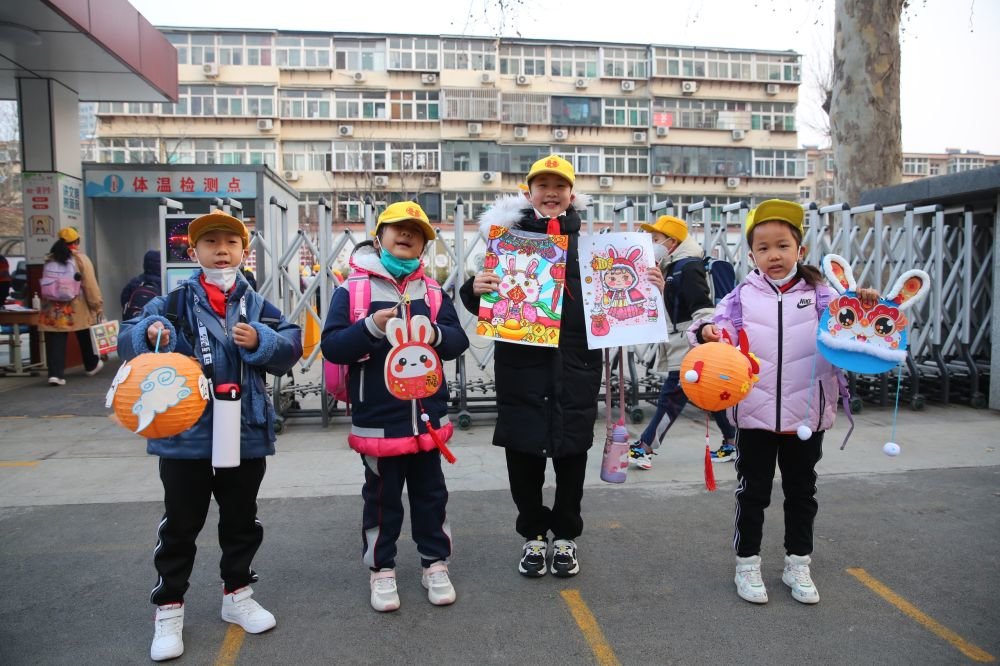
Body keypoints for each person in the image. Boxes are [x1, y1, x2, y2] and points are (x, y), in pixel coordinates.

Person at [459, 155, 663, 578]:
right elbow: (488, 301)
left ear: (572, 195)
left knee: (572, 458)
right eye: (542, 186)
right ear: (528, 192)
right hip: (521, 372)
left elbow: (620, 304)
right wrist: (473, 288)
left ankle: (566, 537)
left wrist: (650, 287)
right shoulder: (507, 243)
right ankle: (533, 536)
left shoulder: (592, 249)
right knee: (524, 458)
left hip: (575, 371)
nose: (551, 193)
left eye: (560, 186)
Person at [118, 211, 302, 661]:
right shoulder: (172, 303)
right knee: (182, 523)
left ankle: (237, 595)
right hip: (187, 432)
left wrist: (260, 339)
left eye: (230, 243)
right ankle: (169, 608)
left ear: (244, 252)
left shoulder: (258, 304)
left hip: (244, 429)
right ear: (193, 252)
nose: (222, 250)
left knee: (241, 519)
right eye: (211, 242)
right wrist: (148, 332)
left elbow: (291, 347)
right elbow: (126, 341)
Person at [689, 199, 878, 606]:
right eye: (763, 248)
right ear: (752, 254)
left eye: (782, 245)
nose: (773, 255)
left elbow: (858, 329)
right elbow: (706, 326)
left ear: (800, 250)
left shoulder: (826, 296)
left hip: (808, 414)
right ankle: (747, 565)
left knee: (802, 493)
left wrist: (864, 303)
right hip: (753, 415)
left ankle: (798, 564)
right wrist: (705, 332)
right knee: (752, 493)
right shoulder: (740, 297)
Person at [321, 201, 469, 612]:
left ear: (423, 245)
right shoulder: (352, 290)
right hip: (378, 422)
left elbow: (459, 342)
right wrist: (370, 326)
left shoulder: (435, 292)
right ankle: (381, 570)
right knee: (381, 500)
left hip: (428, 420)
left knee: (431, 496)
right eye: (397, 228)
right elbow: (331, 346)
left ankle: (434, 564)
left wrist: (435, 334)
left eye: (416, 231)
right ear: (379, 236)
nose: (406, 235)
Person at [628, 215, 737, 470]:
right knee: (711, 396)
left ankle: (646, 446)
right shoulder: (671, 266)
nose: (652, 243)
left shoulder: (687, 267)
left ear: (672, 241)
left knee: (672, 397)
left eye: (656, 239)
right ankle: (733, 441)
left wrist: (706, 338)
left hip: (691, 343)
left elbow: (701, 305)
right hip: (681, 340)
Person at [38, 227, 104, 385]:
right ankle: (91, 365)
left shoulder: (50, 258)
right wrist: (97, 305)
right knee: (85, 332)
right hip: (75, 305)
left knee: (55, 337)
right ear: (77, 242)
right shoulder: (80, 259)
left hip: (52, 307)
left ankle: (55, 374)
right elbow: (90, 285)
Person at [120, 249, 162, 319]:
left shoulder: (135, 282)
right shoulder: (163, 283)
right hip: (155, 324)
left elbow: (124, 300)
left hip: (135, 322)